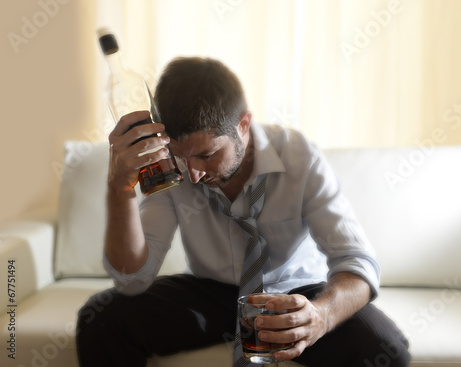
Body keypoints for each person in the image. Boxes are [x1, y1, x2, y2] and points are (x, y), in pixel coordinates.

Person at [76, 57, 410, 367]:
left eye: (207, 155)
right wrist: (119, 188)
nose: (192, 174)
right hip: (212, 293)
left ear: (244, 125)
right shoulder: (172, 168)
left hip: (295, 293)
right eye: (181, 156)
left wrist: (320, 316)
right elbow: (132, 278)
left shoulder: (298, 157)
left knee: (385, 347)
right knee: (101, 318)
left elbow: (357, 261)